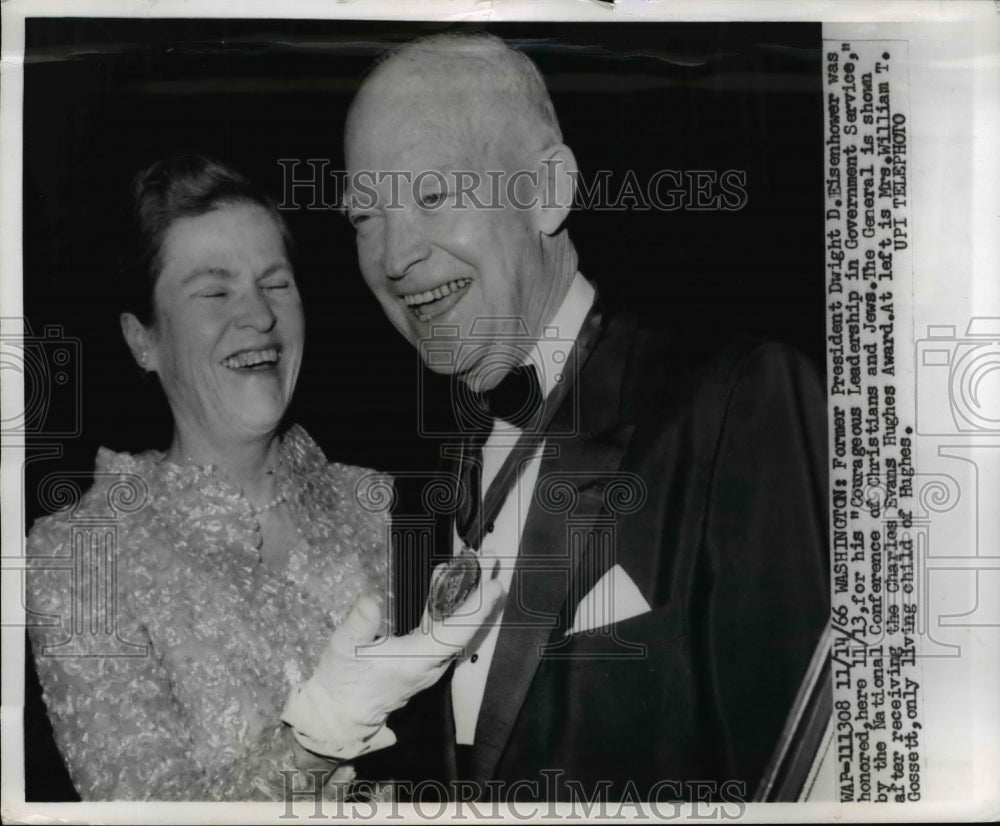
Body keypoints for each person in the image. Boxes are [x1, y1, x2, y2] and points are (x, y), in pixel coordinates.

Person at [342, 33, 830, 801]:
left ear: (547, 191)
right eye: (364, 217)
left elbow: (810, 792)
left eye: (431, 196)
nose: (395, 255)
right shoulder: (423, 488)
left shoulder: (739, 406)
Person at [25, 155, 501, 801]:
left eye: (275, 284)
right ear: (144, 341)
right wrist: (316, 737)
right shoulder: (81, 555)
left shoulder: (390, 505)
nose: (258, 316)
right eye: (215, 292)